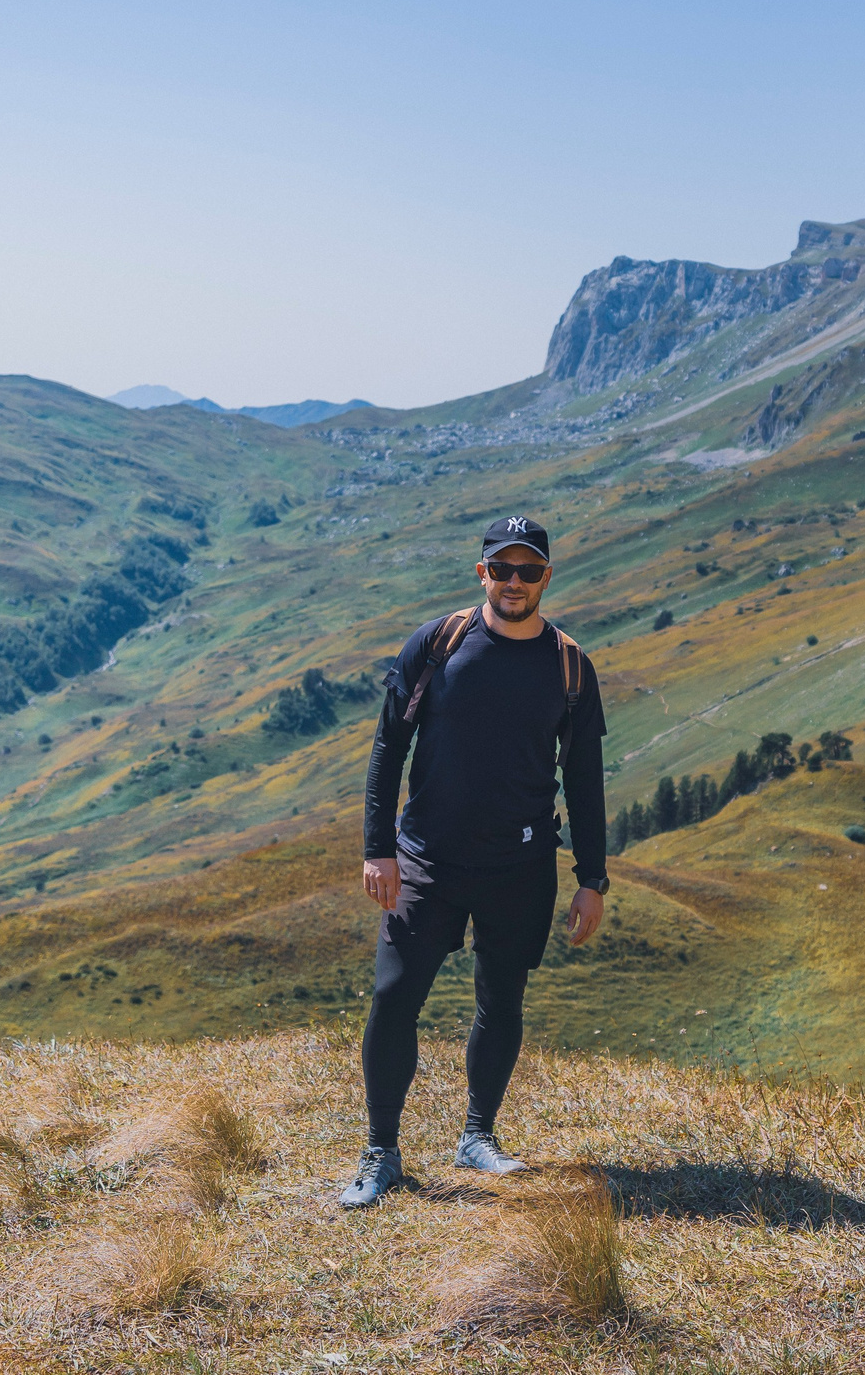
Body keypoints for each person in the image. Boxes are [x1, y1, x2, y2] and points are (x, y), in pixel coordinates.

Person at [338, 514, 608, 1208]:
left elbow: (584, 778)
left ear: (547, 576)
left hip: (520, 865)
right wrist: (378, 847)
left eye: (529, 570)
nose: (514, 582)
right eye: (502, 568)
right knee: (395, 997)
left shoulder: (571, 666)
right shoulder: (438, 644)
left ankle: (477, 1136)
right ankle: (381, 1149)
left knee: (501, 1002)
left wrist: (592, 878)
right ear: (481, 571)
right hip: (427, 858)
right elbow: (386, 747)